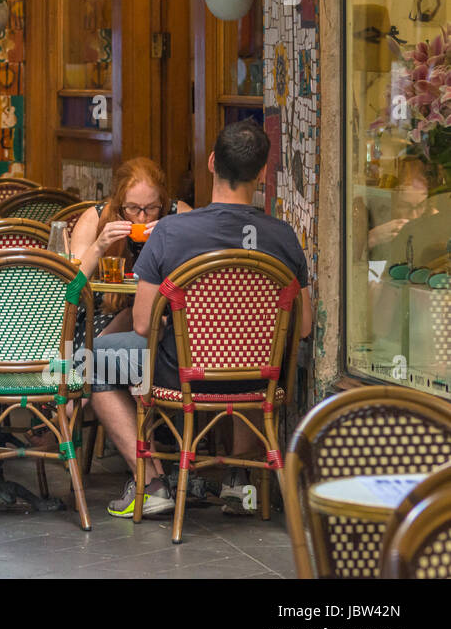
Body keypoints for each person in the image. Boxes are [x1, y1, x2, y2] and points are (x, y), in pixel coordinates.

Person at [89, 119, 310, 520]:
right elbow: (305, 326)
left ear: (211, 163)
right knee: (246, 362)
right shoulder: (283, 235)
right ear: (262, 173)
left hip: (183, 375)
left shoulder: (172, 232)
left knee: (93, 358)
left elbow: (141, 325)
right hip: (261, 376)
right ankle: (240, 480)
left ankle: (152, 484)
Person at [70, 157, 192, 339]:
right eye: (133, 208)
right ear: (120, 203)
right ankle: (90, 361)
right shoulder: (95, 218)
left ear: (163, 202)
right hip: (105, 313)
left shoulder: (178, 215)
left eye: (151, 208)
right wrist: (99, 246)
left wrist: (172, 240)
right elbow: (71, 288)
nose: (142, 218)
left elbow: (202, 273)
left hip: (164, 314)